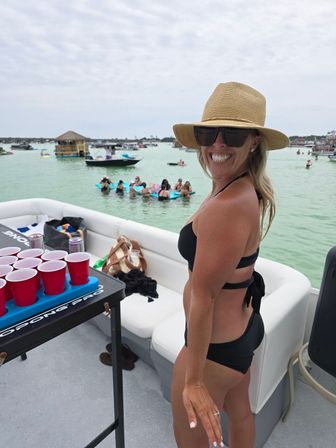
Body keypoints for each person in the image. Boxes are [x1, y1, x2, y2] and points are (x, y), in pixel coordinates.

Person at [172, 81, 289, 448]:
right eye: (209, 132)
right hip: (243, 328)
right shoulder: (238, 185)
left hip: (213, 349)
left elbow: (204, 296)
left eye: (233, 135)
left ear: (254, 140)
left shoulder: (228, 205)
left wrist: (193, 381)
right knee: (240, 415)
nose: (217, 144)